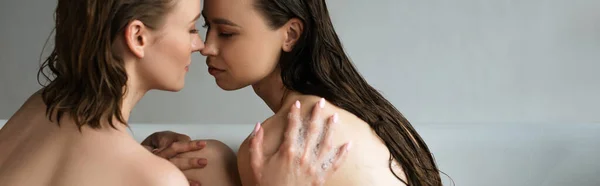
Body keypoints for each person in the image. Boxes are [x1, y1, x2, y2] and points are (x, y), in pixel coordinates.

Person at [0, 0, 351, 185]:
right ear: (138, 37)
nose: (200, 45)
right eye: (190, 28)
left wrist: (134, 157)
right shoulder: (156, 181)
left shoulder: (38, 108)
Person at [148, 0, 444, 185]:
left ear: (290, 34)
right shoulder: (371, 114)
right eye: (206, 27)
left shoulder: (279, 141)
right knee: (210, 158)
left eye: (226, 33)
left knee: (207, 162)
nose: (206, 46)